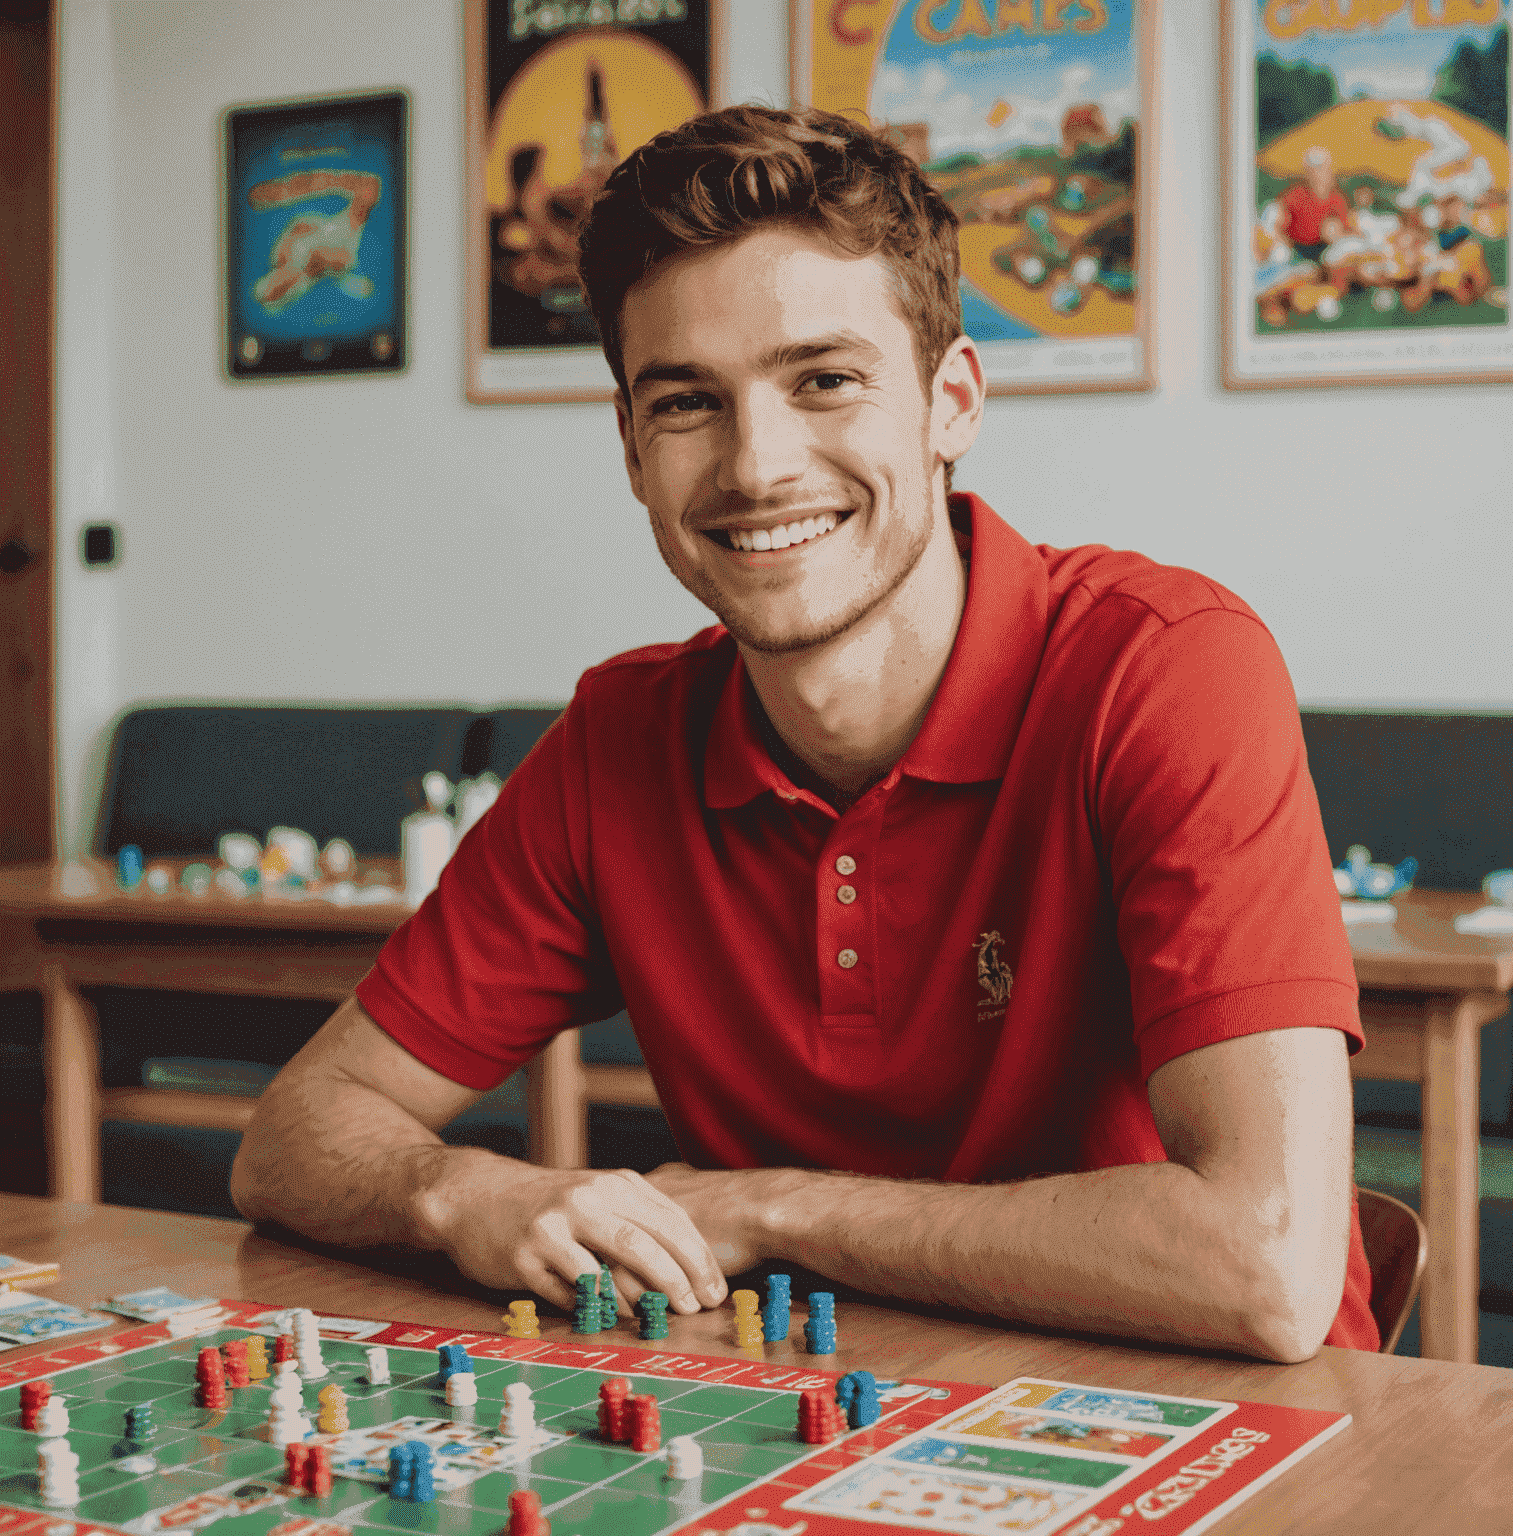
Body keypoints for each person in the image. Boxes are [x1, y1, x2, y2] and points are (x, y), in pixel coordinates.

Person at [232, 106, 1377, 1360]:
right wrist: (464, 1194)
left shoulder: (1165, 666)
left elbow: (1265, 1268)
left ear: (952, 401)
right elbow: (295, 1134)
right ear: (629, 448)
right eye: (685, 403)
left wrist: (768, 1208)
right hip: (794, 1422)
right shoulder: (621, 737)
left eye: (824, 380)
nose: (758, 465)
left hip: (1224, 1438)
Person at [1278, 146, 1349, 263]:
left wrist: (1335, 234)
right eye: (1314, 170)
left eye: (1322, 169)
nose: (1318, 175)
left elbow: (1343, 230)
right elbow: (1278, 221)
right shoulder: (1296, 195)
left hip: (1325, 250)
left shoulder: (1337, 199)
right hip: (1297, 250)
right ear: (1307, 174)